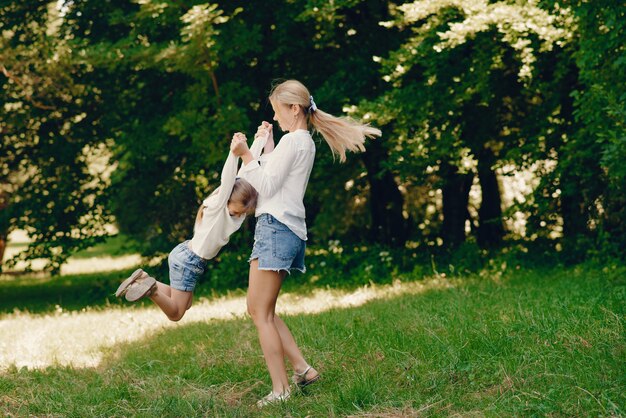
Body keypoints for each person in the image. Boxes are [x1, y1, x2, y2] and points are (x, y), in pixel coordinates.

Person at [230, 79, 382, 407]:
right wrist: (267, 144)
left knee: (260, 312)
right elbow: (275, 176)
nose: (276, 117)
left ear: (294, 109)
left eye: (277, 112)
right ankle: (302, 369)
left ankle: (281, 390)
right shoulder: (300, 142)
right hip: (284, 229)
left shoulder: (295, 142)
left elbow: (266, 187)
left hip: (275, 228)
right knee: (261, 310)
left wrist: (245, 155)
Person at [114, 132, 271, 321]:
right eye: (235, 212)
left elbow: (246, 174)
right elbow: (229, 179)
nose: (238, 216)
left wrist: (261, 138)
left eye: (242, 214)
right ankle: (152, 290)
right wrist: (233, 153)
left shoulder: (236, 203)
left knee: (184, 303)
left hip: (187, 256)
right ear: (226, 199)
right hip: (188, 260)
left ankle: (144, 281)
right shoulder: (217, 207)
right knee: (176, 313)